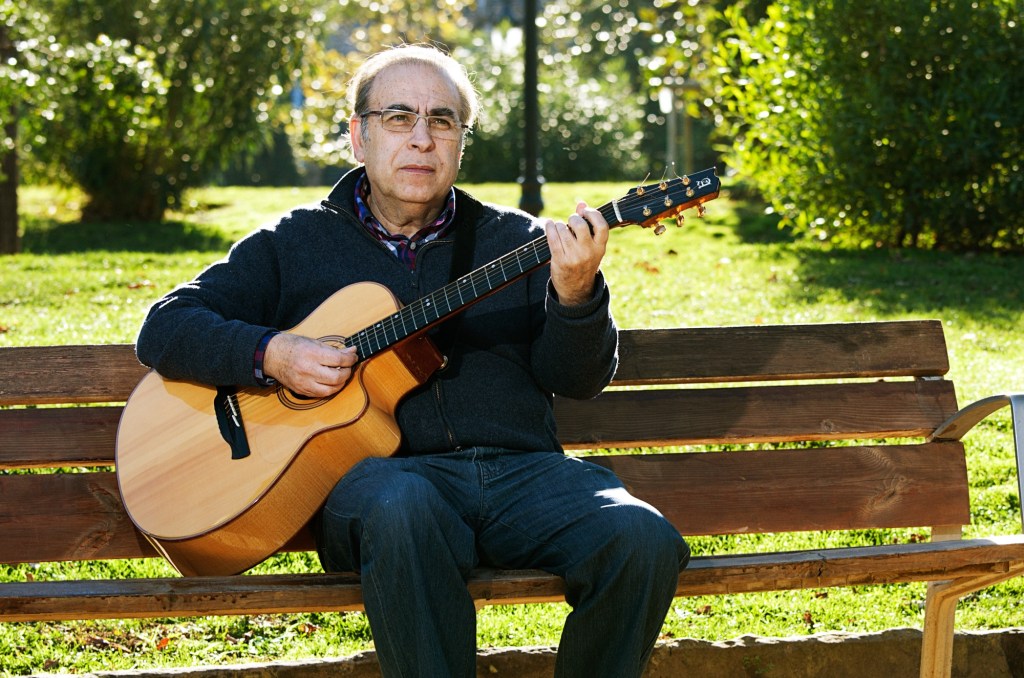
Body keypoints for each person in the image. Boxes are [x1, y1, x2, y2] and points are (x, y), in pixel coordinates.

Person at [136, 44, 689, 678]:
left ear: (461, 141)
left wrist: (575, 293)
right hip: (384, 483)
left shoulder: (519, 241)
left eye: (442, 120)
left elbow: (578, 380)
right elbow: (167, 327)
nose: (421, 139)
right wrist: (274, 353)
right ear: (358, 137)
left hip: (522, 477)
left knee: (641, 539)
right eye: (399, 118)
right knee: (406, 507)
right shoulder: (294, 243)